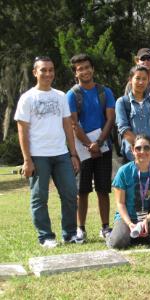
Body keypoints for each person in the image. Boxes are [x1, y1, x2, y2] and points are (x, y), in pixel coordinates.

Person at [14, 56, 81, 248]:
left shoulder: (60, 96)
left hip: (61, 154)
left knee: (70, 193)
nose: (48, 73)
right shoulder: (27, 98)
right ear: (35, 72)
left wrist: (73, 153)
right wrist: (27, 160)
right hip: (38, 155)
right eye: (43, 70)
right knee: (39, 197)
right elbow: (22, 130)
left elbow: (68, 126)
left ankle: (69, 234)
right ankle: (46, 237)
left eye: (51, 70)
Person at [67, 53, 116, 241]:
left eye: (87, 67)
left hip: (103, 146)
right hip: (81, 149)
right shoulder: (72, 94)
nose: (85, 71)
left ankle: (105, 227)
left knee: (103, 189)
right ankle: (81, 229)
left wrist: (100, 143)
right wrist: (89, 144)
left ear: (93, 69)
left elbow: (110, 118)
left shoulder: (105, 92)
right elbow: (73, 123)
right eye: (80, 69)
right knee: (82, 191)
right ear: (75, 73)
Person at [107, 135, 150, 249]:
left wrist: (147, 220)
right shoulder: (123, 171)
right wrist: (130, 223)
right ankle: (113, 234)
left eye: (146, 148)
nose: (142, 151)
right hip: (127, 218)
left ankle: (136, 235)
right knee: (118, 242)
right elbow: (120, 203)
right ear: (132, 150)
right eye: (138, 148)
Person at [116, 66, 150, 162]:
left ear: (148, 80)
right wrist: (143, 150)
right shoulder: (122, 102)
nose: (141, 82)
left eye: (144, 79)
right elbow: (123, 129)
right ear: (130, 79)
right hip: (132, 155)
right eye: (137, 78)